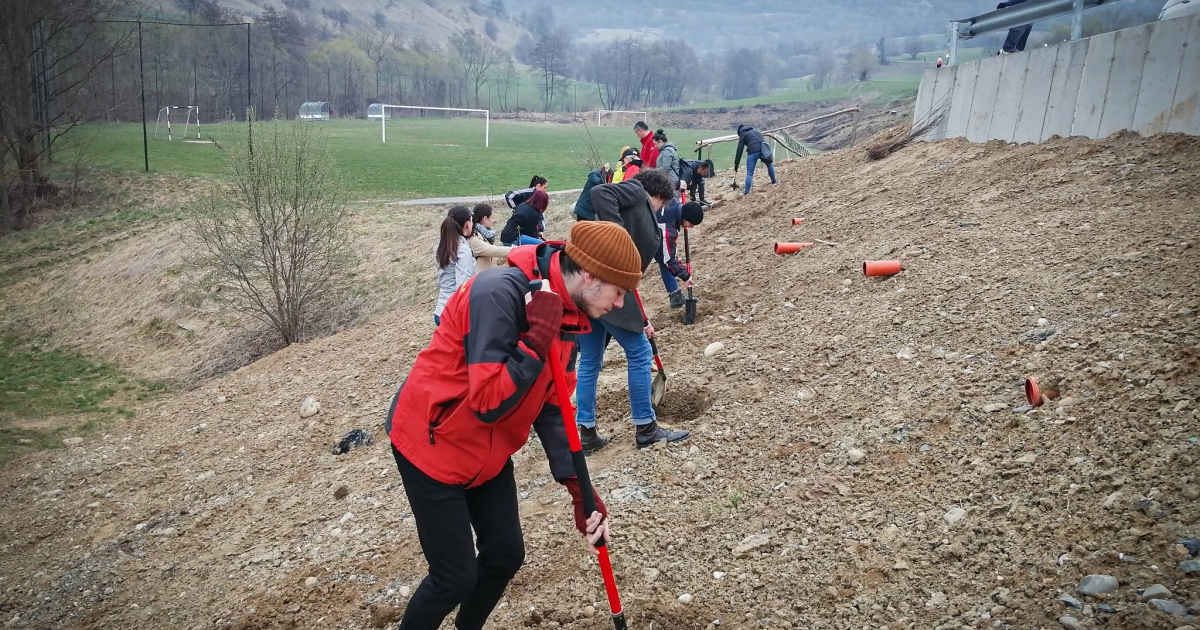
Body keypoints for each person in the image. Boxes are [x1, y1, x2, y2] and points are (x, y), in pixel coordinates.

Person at [385, 221, 644, 630]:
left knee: (505, 554)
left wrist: (582, 493)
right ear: (590, 275)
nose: (619, 304)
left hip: (487, 451)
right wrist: (534, 341)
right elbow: (487, 402)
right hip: (432, 443)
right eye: (619, 292)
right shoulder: (497, 295)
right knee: (453, 578)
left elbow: (554, 407)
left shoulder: (568, 317)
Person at [576, 168, 691, 453]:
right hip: (609, 292)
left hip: (595, 292)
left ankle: (587, 432)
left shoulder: (637, 205)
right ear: (657, 195)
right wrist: (620, 239)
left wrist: (643, 319)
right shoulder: (637, 192)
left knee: (590, 361)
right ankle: (646, 428)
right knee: (639, 353)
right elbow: (600, 192)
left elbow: (629, 276)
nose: (660, 209)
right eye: (662, 203)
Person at [656, 200, 705, 309]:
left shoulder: (674, 202)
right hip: (639, 239)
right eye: (691, 224)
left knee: (667, 259)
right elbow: (668, 259)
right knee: (666, 260)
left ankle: (675, 295)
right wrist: (685, 276)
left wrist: (678, 183)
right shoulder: (667, 229)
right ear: (686, 218)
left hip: (652, 230)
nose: (691, 227)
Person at [434, 206, 475, 326]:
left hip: (441, 309)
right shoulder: (462, 250)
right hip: (455, 314)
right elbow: (463, 285)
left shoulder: (441, 245)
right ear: (468, 224)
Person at [732, 124, 776, 195]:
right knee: (769, 165)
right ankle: (774, 181)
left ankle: (746, 192)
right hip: (763, 150)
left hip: (753, 152)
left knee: (749, 173)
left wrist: (736, 164)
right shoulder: (756, 130)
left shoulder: (743, 134)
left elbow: (739, 150)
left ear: (739, 132)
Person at [468, 204, 512, 273]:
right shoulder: (474, 237)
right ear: (485, 219)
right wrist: (514, 249)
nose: (493, 220)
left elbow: (494, 261)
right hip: (480, 279)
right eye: (491, 217)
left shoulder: (485, 236)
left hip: (489, 277)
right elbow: (492, 250)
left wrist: (508, 255)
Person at [652, 129, 681, 195]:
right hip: (669, 180)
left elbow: (665, 167)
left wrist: (653, 172)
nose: (655, 147)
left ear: (660, 142)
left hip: (671, 180)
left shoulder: (667, 151)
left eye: (655, 144)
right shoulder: (667, 150)